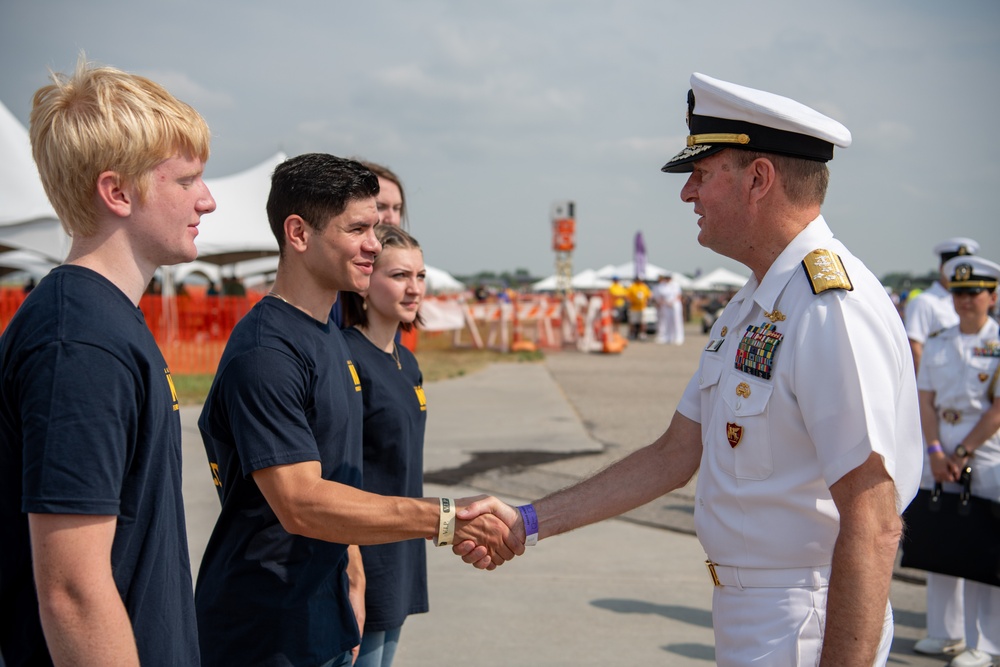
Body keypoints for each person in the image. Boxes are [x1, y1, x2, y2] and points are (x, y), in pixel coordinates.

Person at [459, 72, 921, 665]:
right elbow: (675, 453)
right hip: (753, 614)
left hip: (808, 621)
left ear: (759, 179)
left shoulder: (831, 307)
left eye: (701, 175)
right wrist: (527, 520)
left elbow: (874, 518)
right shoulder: (751, 304)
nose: (687, 195)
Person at [194, 153, 520, 667]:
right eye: (359, 228)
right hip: (265, 631)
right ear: (298, 233)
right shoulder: (268, 352)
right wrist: (446, 518)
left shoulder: (325, 334)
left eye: (378, 225)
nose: (375, 241)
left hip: (322, 614)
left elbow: (341, 475)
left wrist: (354, 577)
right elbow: (302, 503)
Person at [0, 60, 215, 665]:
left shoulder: (102, 321)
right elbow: (72, 591)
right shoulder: (80, 342)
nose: (208, 199)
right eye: (187, 180)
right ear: (117, 192)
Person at [341, 224, 428, 667]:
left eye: (420, 275)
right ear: (365, 280)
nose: (414, 289)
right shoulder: (347, 357)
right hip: (362, 552)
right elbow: (338, 472)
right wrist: (354, 568)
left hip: (402, 545)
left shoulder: (406, 361)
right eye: (399, 276)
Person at [916, 255, 1000, 667]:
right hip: (939, 442)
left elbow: (998, 410)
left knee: (984, 543)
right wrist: (934, 450)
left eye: (974, 293)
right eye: (959, 293)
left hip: (985, 446)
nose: (965, 301)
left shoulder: (998, 345)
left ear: (993, 296)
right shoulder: (939, 340)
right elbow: (925, 399)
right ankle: (943, 631)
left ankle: (985, 643)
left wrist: (962, 453)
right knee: (942, 534)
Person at [906, 237, 980, 371]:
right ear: (941, 268)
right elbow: (915, 347)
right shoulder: (924, 302)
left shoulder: (974, 302)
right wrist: (926, 386)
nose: (960, 274)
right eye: (954, 267)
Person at [653, 273, 684, 345]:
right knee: (666, 321)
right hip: (665, 305)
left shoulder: (675, 285)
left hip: (675, 304)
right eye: (666, 278)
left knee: (676, 321)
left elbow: (679, 295)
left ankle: (678, 337)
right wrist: (664, 303)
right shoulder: (662, 286)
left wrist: (672, 302)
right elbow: (659, 296)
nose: (667, 279)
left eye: (669, 278)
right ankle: (667, 337)